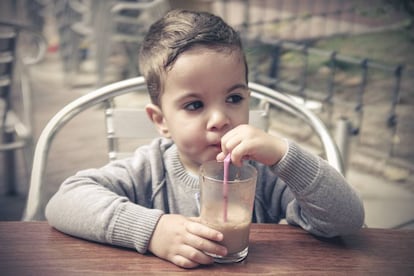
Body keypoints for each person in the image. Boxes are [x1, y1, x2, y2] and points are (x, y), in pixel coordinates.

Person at [46, 9, 365, 269]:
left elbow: (347, 220)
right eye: (195, 105)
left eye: (234, 98)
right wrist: (152, 231)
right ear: (161, 121)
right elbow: (65, 201)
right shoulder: (150, 170)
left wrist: (285, 156)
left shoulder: (264, 172)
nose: (220, 119)